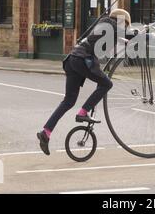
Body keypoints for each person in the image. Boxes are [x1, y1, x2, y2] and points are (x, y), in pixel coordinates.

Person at [37, 8, 132, 155]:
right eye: (125, 25)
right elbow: (123, 34)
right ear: (120, 21)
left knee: (68, 101)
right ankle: (83, 112)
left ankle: (46, 132)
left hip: (73, 60)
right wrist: (144, 35)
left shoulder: (106, 26)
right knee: (107, 84)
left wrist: (125, 40)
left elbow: (118, 37)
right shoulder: (110, 24)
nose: (124, 28)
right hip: (82, 60)